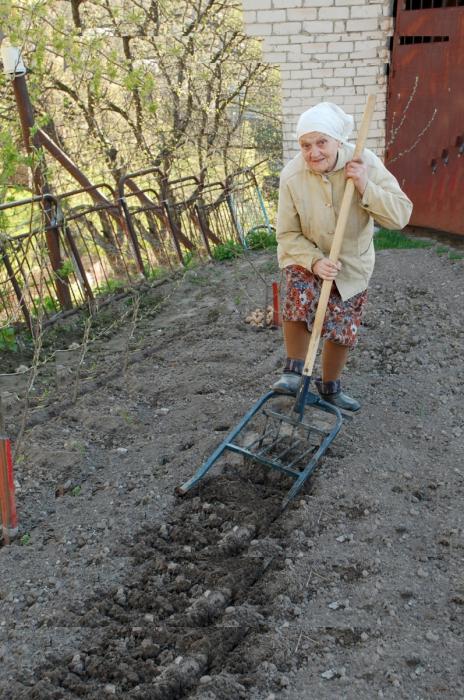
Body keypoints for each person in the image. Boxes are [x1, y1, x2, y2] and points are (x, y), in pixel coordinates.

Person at [272, 101, 413, 410]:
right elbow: (286, 234)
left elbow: (400, 216)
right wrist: (314, 261)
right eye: (306, 145)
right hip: (306, 255)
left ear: (338, 141)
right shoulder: (292, 176)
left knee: (342, 325)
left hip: (352, 262)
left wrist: (364, 185)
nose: (314, 152)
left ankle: (330, 388)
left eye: (321, 142)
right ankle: (294, 372)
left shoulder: (365, 163)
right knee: (299, 290)